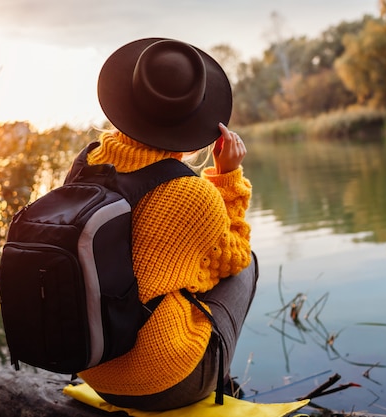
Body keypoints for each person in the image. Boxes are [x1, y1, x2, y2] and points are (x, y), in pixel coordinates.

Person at [76, 37, 258, 411]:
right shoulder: (190, 193)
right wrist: (228, 177)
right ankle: (218, 381)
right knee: (247, 264)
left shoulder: (84, 165)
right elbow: (231, 259)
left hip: (90, 368)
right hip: (165, 382)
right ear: (196, 119)